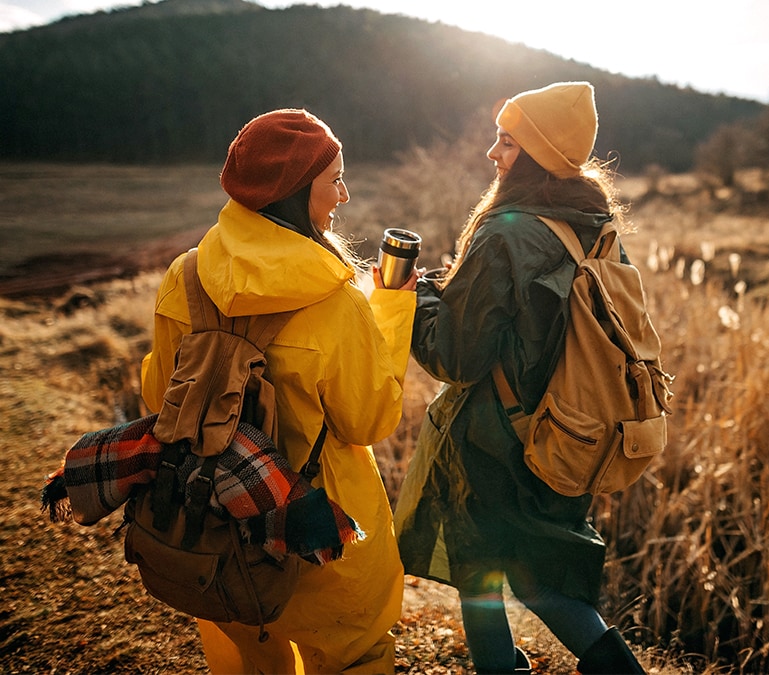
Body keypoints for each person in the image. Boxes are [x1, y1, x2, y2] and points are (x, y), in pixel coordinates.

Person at [140, 109, 419, 674]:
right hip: (318, 526)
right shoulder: (336, 304)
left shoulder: (184, 276)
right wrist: (391, 306)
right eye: (334, 179)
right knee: (354, 655)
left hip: (211, 520)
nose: (343, 194)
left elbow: (156, 393)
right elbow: (369, 420)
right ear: (294, 192)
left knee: (246, 650)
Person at [393, 82, 647, 674]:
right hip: (569, 433)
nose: (493, 153)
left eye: (507, 141)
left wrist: (416, 297)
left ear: (536, 153)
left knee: (483, 572)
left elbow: (457, 357)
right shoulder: (594, 225)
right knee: (540, 578)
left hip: (496, 441)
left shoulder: (505, 229)